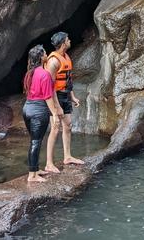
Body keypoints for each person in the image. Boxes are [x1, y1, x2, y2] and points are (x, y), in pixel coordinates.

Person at [45, 31, 84, 173]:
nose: (70, 41)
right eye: (68, 39)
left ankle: (67, 157)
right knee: (55, 128)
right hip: (55, 97)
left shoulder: (66, 57)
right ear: (62, 43)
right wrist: (56, 107)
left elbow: (68, 80)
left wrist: (72, 96)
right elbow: (50, 86)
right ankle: (49, 163)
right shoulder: (53, 61)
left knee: (68, 125)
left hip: (65, 95)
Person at [23, 44, 60, 182]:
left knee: (34, 141)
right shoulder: (45, 74)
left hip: (27, 108)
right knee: (36, 142)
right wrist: (55, 113)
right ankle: (32, 175)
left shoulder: (29, 73)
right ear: (41, 57)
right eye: (44, 53)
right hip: (38, 111)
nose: (46, 54)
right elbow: (48, 97)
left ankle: (36, 168)